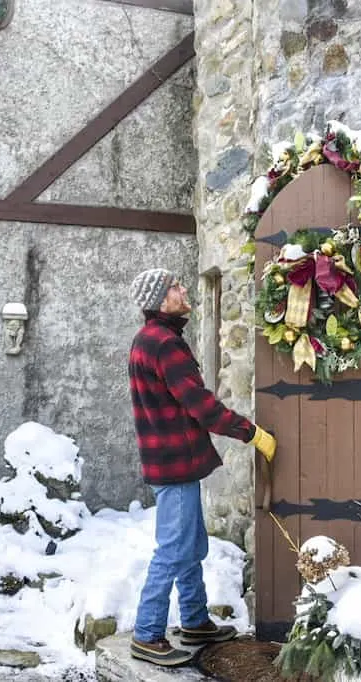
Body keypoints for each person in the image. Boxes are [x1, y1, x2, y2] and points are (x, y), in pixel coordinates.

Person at [127, 268, 277, 667]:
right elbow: (201, 405)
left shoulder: (151, 339)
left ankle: (194, 620)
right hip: (173, 464)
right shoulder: (164, 344)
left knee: (191, 546)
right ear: (161, 301)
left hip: (174, 462)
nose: (182, 290)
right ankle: (147, 634)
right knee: (174, 550)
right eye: (174, 288)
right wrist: (251, 433)